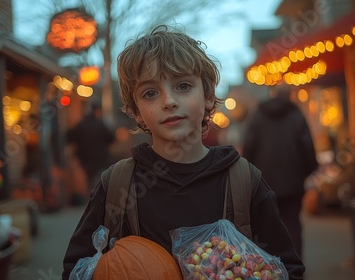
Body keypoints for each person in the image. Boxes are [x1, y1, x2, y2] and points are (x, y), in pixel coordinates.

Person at [62, 25, 304, 279]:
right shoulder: (117, 186)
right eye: (150, 93)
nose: (168, 101)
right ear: (136, 111)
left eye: (184, 86)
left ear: (208, 96)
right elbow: (75, 268)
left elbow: (287, 268)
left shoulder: (244, 182)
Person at [242, 85, 319, 257]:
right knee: (292, 225)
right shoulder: (296, 115)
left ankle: (272, 268)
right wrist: (306, 172)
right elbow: (308, 149)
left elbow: (248, 148)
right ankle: (294, 270)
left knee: (267, 227)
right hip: (293, 184)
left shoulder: (258, 116)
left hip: (264, 184)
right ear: (289, 95)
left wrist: (253, 175)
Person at [67, 103, 115, 189]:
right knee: (100, 181)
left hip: (84, 158)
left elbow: (69, 137)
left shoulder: (80, 124)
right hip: (100, 159)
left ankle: (90, 197)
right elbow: (111, 138)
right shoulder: (101, 124)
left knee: (89, 181)